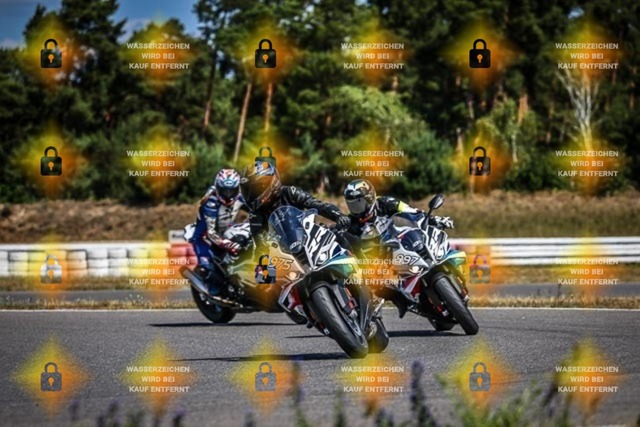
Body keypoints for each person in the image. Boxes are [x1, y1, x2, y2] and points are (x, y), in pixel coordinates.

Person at [342, 179, 454, 316]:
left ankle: (436, 263)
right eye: (352, 204)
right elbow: (346, 241)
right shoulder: (351, 223)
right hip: (379, 260)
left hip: (398, 244)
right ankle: (403, 303)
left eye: (359, 202)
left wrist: (433, 220)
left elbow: (411, 212)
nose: (356, 208)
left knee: (412, 233)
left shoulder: (384, 203)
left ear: (370, 198)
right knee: (379, 285)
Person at [240, 162, 351, 247]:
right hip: (283, 255)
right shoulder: (256, 213)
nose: (250, 195)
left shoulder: (290, 192)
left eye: (254, 190)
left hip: (311, 240)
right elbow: (259, 242)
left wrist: (338, 215)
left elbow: (318, 205)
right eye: (247, 191)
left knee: (346, 238)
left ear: (270, 182)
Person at [188, 168, 248, 294]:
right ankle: (212, 291)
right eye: (224, 191)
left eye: (231, 191)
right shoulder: (211, 203)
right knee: (207, 268)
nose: (228, 195)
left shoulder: (241, 197)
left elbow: (255, 209)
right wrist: (228, 244)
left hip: (225, 231)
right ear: (217, 188)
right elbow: (211, 232)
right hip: (205, 238)